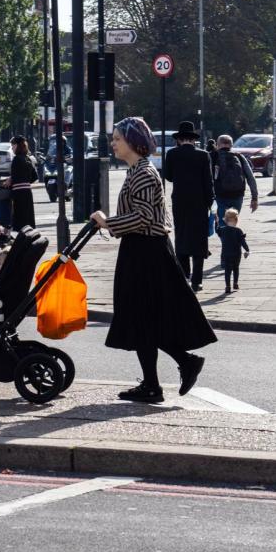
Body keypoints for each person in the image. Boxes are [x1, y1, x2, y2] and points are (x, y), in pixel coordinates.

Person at [91, 117, 216, 404]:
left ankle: (165, 375)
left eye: (117, 139)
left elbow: (145, 216)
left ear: (133, 142)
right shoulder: (137, 171)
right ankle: (161, 378)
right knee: (142, 318)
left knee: (144, 316)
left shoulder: (145, 173)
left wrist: (108, 223)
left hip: (148, 252)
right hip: (140, 249)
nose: (113, 143)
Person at [162, 121, 215, 292]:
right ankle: (197, 281)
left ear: (179, 139)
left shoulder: (172, 154)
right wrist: (210, 203)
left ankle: (185, 276)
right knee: (199, 240)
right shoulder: (203, 155)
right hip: (199, 202)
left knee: (182, 236)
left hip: (180, 201)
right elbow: (208, 182)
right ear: (193, 139)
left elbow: (168, 176)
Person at [213, 135, 258, 231]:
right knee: (232, 222)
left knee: (222, 224)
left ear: (217, 145)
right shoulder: (239, 157)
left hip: (220, 196)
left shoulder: (213, 156)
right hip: (237, 195)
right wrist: (254, 198)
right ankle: (233, 243)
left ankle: (227, 244)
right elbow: (250, 177)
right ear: (231, 145)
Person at [5, 136, 38, 231]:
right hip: (27, 191)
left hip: (18, 192)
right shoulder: (28, 158)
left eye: (13, 145)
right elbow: (35, 177)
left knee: (20, 217)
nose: (12, 148)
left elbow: (14, 177)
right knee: (28, 216)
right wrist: (25, 181)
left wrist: (9, 181)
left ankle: (22, 238)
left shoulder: (16, 159)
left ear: (17, 145)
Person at [216, 208, 250, 295]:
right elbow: (243, 242)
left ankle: (227, 286)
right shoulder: (238, 231)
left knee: (227, 271)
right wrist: (247, 250)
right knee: (236, 269)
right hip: (236, 254)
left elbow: (217, 230)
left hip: (226, 254)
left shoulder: (222, 230)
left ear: (225, 220)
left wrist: (216, 221)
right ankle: (235, 283)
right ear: (236, 220)